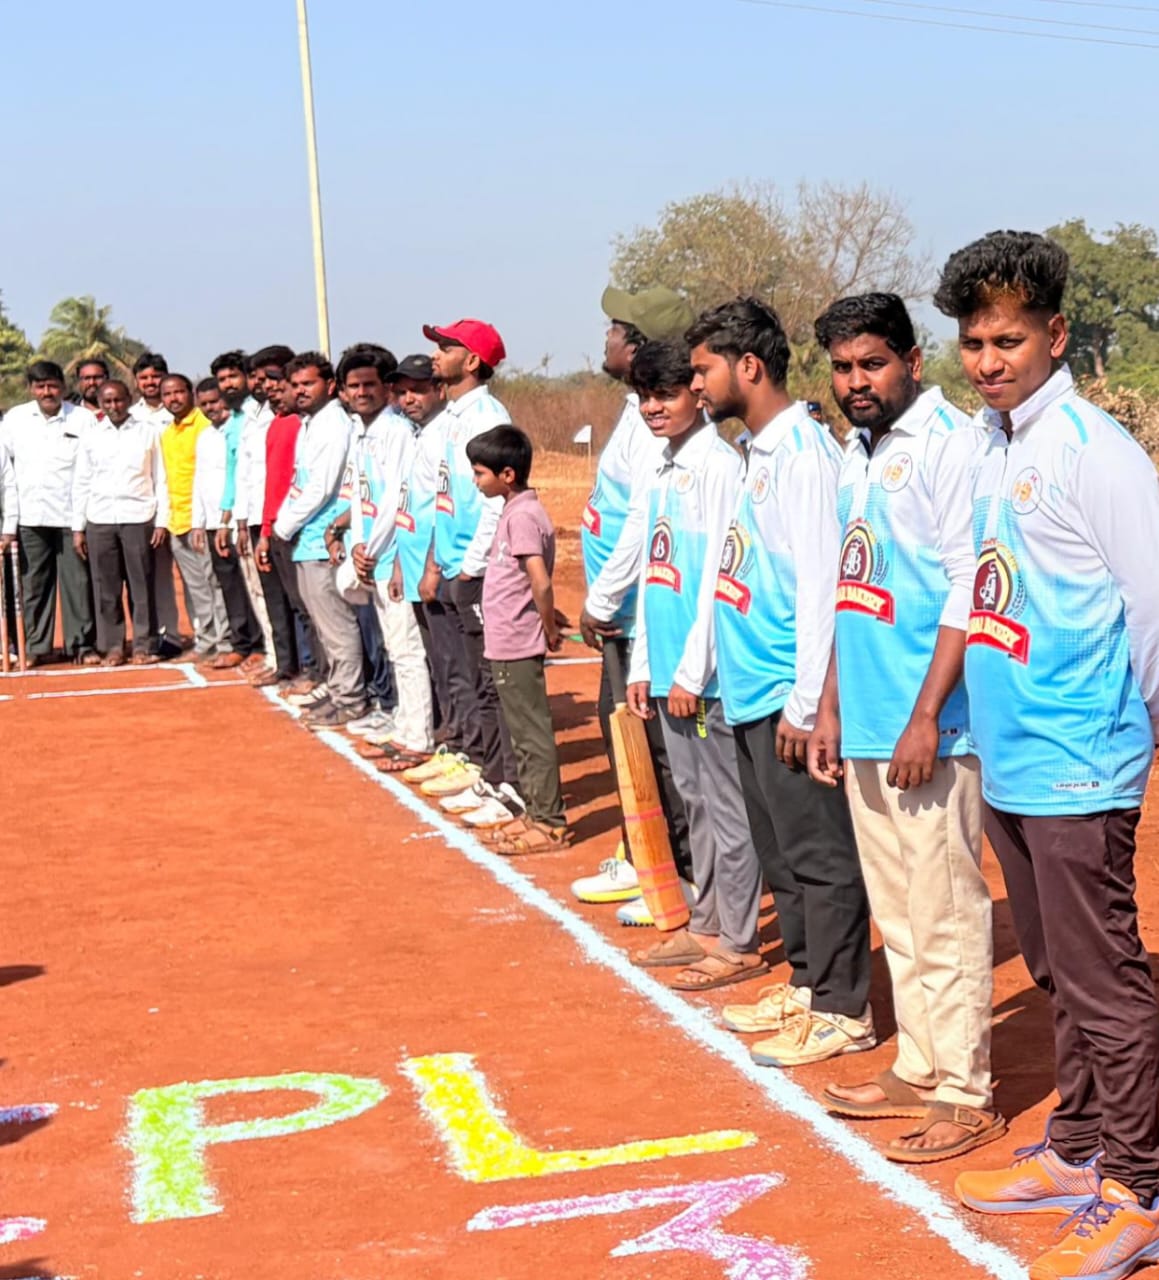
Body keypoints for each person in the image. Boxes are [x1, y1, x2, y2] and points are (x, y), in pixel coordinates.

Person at [934, 231, 1159, 1279]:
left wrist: (1133, 728)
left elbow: (1151, 604)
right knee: (1056, 969)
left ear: (1054, 335)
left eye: (1007, 340)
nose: (987, 361)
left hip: (1080, 756)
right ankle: (1078, 1147)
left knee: (1104, 979)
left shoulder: (1091, 449)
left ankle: (1140, 1188)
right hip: (1011, 750)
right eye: (973, 342)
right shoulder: (992, 443)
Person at [807, 293, 1000, 1163]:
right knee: (900, 911)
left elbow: (968, 584)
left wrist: (926, 717)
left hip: (932, 730)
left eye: (872, 364)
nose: (856, 381)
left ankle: (965, 1091)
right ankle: (920, 1065)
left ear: (912, 362)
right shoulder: (857, 450)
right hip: (866, 721)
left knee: (945, 909)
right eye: (842, 367)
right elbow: (851, 589)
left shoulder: (949, 444)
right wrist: (832, 705)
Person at [687, 297, 873, 1068]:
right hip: (749, 691)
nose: (694, 385)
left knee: (821, 856)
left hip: (786, 696)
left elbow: (822, 588)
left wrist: (805, 703)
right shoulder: (755, 452)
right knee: (782, 854)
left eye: (702, 370)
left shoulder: (802, 455)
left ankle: (841, 1007)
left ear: (748, 366)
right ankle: (804, 982)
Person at [623, 339, 764, 990]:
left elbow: (716, 577)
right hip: (668, 670)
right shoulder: (661, 466)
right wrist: (643, 664)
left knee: (725, 807)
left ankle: (737, 939)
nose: (654, 407)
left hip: (705, 677)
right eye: (644, 397)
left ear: (696, 395)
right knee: (694, 801)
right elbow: (656, 574)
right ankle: (705, 922)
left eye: (666, 394)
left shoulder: (719, 466)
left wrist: (691, 670)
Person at [572, 285, 695, 919]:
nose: (606, 338)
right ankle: (641, 851)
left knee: (653, 746)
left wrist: (602, 599)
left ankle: (673, 872)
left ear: (639, 344)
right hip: (622, 614)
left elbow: (642, 525)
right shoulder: (633, 411)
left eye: (615, 329)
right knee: (626, 736)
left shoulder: (655, 431)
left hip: (636, 613)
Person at [418, 318, 522, 812]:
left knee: (486, 681)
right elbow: (445, 501)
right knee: (459, 670)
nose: (435, 354)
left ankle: (496, 773)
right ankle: (474, 758)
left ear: (473, 360)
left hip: (475, 570)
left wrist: (471, 568)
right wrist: (437, 561)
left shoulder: (486, 416)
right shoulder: (453, 417)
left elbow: (494, 502)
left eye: (446, 346)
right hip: (453, 563)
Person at [465, 425, 570, 852]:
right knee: (520, 734)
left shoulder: (523, 516)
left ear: (507, 475)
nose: (475, 481)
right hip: (506, 639)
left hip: (517, 641)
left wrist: (548, 626)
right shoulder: (514, 510)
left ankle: (550, 823)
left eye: (480, 473)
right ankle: (535, 810)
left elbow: (539, 581)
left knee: (531, 736)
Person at [338, 346, 434, 767]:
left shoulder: (395, 432)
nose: (362, 393)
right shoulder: (362, 433)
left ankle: (419, 737)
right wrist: (357, 546)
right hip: (373, 556)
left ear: (386, 388)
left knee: (407, 649)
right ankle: (407, 726)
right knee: (397, 648)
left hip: (395, 555)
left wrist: (373, 549)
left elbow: (397, 497)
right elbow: (363, 500)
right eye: (354, 386)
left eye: (370, 385)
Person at [272, 352, 371, 730]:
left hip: (324, 537)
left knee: (336, 624)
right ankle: (337, 688)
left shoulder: (333, 424)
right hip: (307, 537)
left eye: (308, 384)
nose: (300, 391)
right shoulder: (310, 423)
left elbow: (322, 486)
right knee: (323, 623)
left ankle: (350, 698)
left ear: (329, 386)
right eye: (295, 385)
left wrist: (284, 526)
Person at [0, 360, 98, 665]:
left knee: (78, 584)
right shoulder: (15, 419)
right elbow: (6, 471)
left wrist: (81, 523)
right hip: (30, 516)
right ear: (31, 389)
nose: (47, 392)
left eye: (53, 386)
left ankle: (81, 645)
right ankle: (36, 647)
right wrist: (10, 524)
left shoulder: (82, 419)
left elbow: (90, 471)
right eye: (40, 386)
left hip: (72, 517)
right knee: (33, 586)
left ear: (63, 387)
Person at [388, 355, 462, 748]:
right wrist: (401, 564)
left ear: (439, 389)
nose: (408, 399)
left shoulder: (445, 434)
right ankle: (449, 733)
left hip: (438, 570)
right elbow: (408, 504)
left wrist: (432, 567)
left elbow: (444, 508)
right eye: (401, 392)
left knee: (453, 664)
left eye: (417, 390)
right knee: (438, 661)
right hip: (415, 567)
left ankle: (462, 742)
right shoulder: (416, 435)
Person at [71, 379, 168, 665]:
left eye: (119, 400)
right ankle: (112, 646)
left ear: (129, 399)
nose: (114, 406)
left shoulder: (148, 432)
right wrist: (78, 528)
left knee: (141, 586)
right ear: (100, 403)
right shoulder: (91, 436)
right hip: (100, 519)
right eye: (107, 401)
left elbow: (160, 478)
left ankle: (144, 646)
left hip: (139, 517)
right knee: (106, 588)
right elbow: (81, 482)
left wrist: (161, 521)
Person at [191, 381, 263, 673]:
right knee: (229, 587)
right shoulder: (204, 437)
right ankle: (240, 643)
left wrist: (231, 518)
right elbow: (199, 480)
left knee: (252, 586)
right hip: (212, 523)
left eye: (215, 401)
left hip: (237, 521)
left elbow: (240, 478)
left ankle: (259, 645)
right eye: (204, 404)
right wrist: (198, 523)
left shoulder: (241, 430)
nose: (211, 408)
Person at [255, 366, 318, 693]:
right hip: (275, 525)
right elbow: (272, 484)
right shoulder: (276, 424)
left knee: (305, 605)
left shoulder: (301, 425)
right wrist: (266, 531)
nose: (274, 393)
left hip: (297, 526)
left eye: (280, 387)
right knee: (284, 602)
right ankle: (290, 665)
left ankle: (313, 670)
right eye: (268, 389)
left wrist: (282, 525)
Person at [159, 375, 230, 659]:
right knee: (197, 587)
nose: (173, 398)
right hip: (177, 521)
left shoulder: (205, 427)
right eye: (167, 394)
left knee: (215, 584)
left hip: (203, 520)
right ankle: (207, 639)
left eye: (179, 392)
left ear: (191, 394)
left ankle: (226, 641)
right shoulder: (167, 433)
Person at [131, 350, 182, 650]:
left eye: (155, 376)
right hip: (148, 507)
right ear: (136, 381)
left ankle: (208, 635)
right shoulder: (131, 415)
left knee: (194, 576)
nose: (150, 382)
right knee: (158, 576)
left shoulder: (178, 411)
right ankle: (166, 635)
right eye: (144, 377)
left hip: (183, 504)